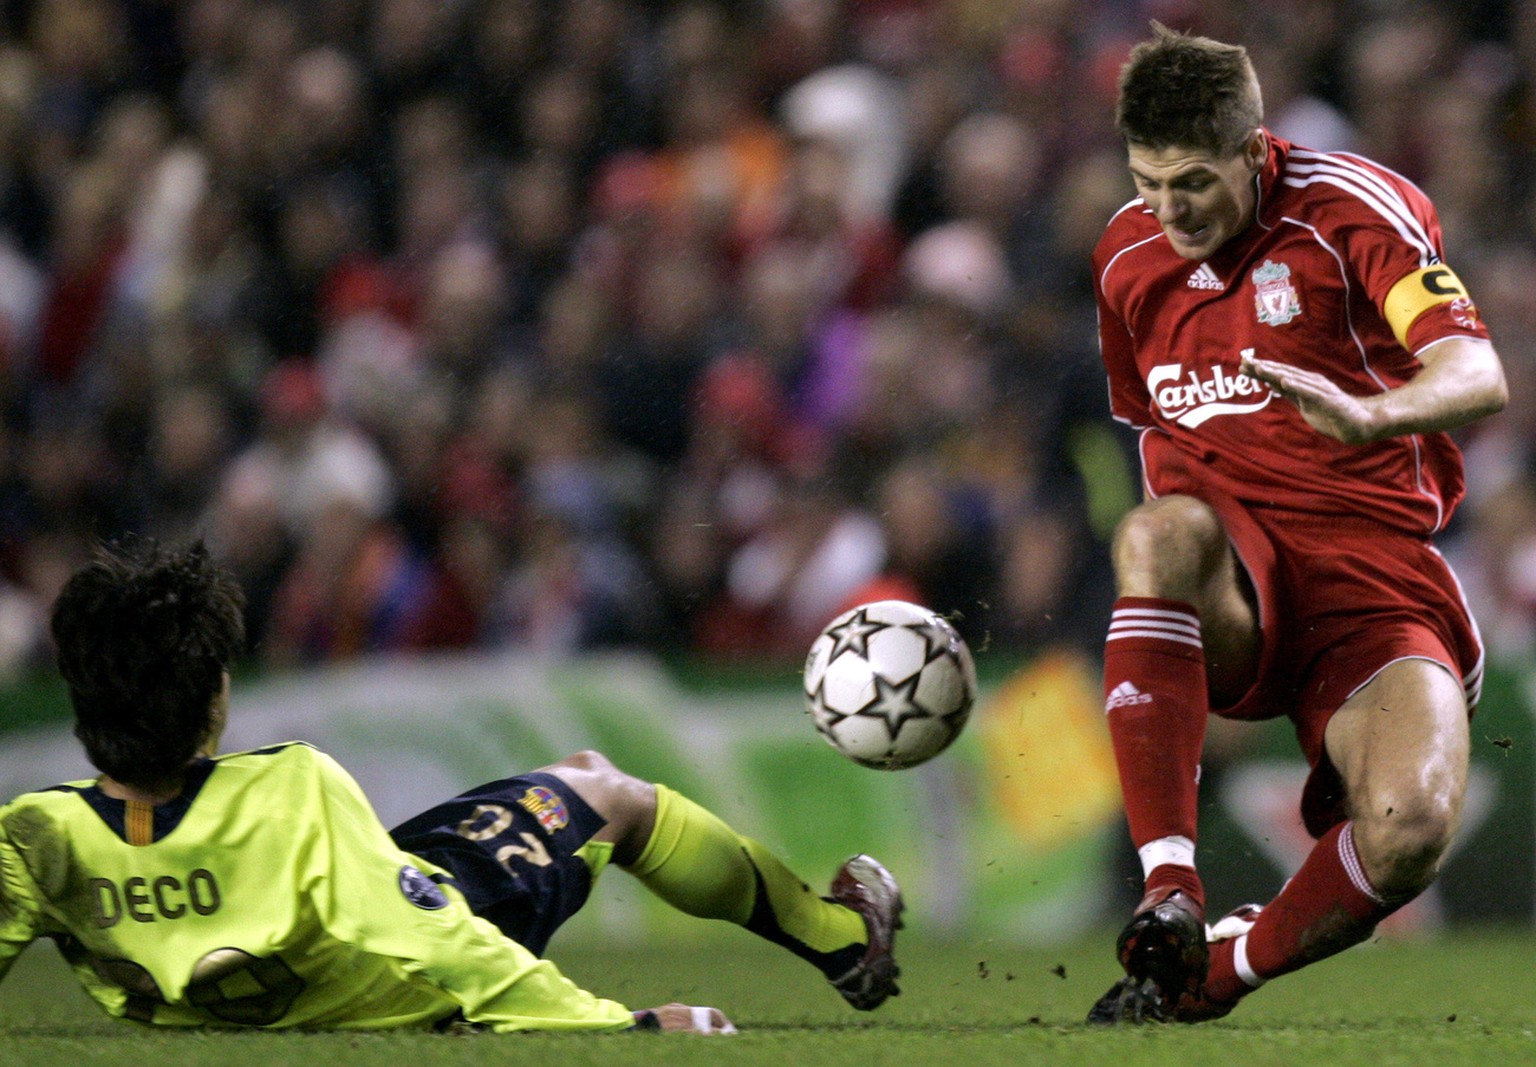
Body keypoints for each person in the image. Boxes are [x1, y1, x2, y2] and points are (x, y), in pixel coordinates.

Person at [0, 540, 902, 1034]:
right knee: (603, 787)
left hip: (260, 998)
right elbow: (427, 929)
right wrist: (617, 1026)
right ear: (212, 697)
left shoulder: (39, 838)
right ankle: (842, 941)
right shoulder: (288, 790)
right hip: (398, 983)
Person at [1086, 24, 1507, 1024]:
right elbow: (1148, 430)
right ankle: (1169, 891)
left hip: (1369, 569)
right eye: (1147, 181)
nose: (1168, 208)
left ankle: (1213, 972)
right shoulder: (1123, 257)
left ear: (1252, 146)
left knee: (1410, 830)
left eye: (1191, 179)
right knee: (1155, 537)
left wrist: (1372, 412)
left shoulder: (1350, 207)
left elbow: (1477, 372)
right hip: (1231, 566)